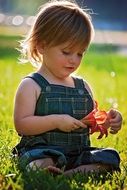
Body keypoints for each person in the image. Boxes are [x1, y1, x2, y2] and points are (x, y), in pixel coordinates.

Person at [13, 0, 122, 176]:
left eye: (80, 53)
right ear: (42, 45)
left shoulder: (82, 86)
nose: (74, 60)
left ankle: (69, 173)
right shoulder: (31, 85)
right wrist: (56, 120)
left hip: (78, 153)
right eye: (66, 52)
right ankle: (50, 169)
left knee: (110, 158)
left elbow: (90, 121)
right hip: (43, 151)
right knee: (40, 161)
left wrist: (107, 121)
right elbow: (22, 125)